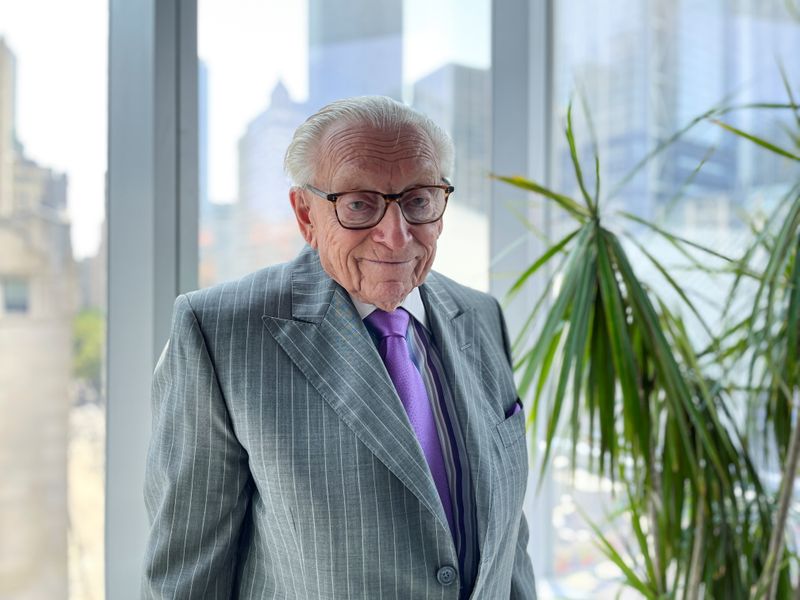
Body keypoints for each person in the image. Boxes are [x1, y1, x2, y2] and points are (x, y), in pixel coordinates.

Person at [142, 96, 536, 599]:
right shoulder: (219, 333)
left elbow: (510, 546)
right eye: (358, 204)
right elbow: (186, 578)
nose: (395, 237)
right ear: (306, 214)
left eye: (417, 201)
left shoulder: (482, 316)